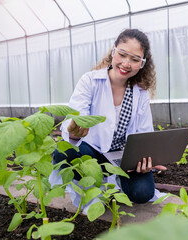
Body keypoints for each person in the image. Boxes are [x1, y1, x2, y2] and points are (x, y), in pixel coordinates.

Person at [51, 28, 166, 205]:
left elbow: (144, 133)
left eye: (135, 59)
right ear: (113, 51)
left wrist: (146, 160)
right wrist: (75, 132)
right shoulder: (90, 81)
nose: (127, 64)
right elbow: (76, 117)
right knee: (64, 151)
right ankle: (98, 184)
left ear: (142, 64)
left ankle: (115, 180)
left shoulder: (140, 92)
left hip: (125, 157)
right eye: (122, 54)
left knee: (142, 194)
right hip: (93, 152)